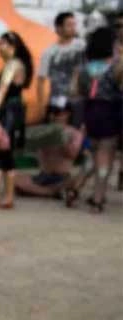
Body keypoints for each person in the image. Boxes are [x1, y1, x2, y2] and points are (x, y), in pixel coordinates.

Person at [67, 27, 123, 213]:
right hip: (110, 112)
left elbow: (74, 92)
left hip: (90, 111)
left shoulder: (83, 69)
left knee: (93, 153)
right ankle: (97, 199)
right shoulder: (117, 66)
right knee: (106, 154)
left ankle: (75, 188)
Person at [0, 31, 33, 213]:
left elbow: (3, 89)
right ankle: (8, 197)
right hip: (15, 113)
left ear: (13, 46)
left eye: (3, 43)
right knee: (8, 157)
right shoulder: (21, 65)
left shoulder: (12, 65)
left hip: (6, 113)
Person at [15, 97, 83, 198]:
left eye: (57, 112)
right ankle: (49, 192)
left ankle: (46, 191)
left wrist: (61, 138)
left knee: (73, 181)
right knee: (15, 179)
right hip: (43, 176)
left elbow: (72, 154)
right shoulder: (43, 130)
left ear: (67, 114)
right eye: (51, 112)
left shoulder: (75, 133)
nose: (53, 115)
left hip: (61, 176)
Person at [37, 11, 85, 122]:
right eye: (69, 25)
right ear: (59, 28)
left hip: (79, 100)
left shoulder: (82, 46)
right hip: (57, 102)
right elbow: (41, 80)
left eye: (74, 24)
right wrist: (42, 106)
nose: (73, 28)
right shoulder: (49, 52)